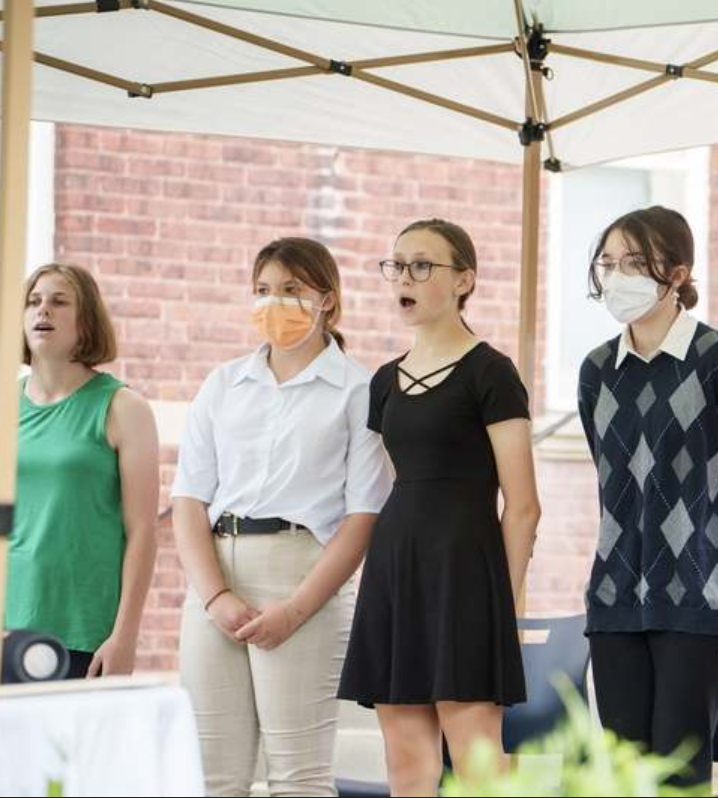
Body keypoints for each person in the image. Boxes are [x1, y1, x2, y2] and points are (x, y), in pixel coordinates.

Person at [173, 237, 389, 796]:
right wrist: (215, 597)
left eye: (292, 290)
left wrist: (294, 611)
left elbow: (364, 516)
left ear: (328, 302)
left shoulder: (360, 391)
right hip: (215, 575)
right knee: (211, 776)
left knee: (298, 776)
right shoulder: (223, 384)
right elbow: (188, 501)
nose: (275, 303)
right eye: (264, 290)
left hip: (302, 576)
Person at [338, 219, 541, 797]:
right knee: (405, 765)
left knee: (478, 767)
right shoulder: (382, 383)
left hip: (467, 574)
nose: (405, 276)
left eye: (422, 265)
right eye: (397, 265)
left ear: (463, 281)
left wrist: (500, 602)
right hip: (397, 569)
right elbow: (391, 485)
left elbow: (523, 506)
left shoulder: (491, 372)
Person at [577, 205, 718, 791]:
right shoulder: (596, 371)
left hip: (699, 599)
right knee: (628, 775)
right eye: (608, 263)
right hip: (614, 600)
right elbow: (613, 482)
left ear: (678, 273)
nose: (616, 276)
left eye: (634, 262)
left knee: (679, 775)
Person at [6, 263, 159, 679]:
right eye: (34, 302)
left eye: (59, 302)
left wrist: (123, 637)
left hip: (82, 632)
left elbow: (143, 532)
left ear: (86, 320)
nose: (43, 311)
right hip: (7, 624)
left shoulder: (124, 408)